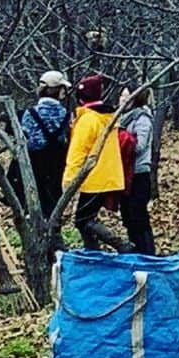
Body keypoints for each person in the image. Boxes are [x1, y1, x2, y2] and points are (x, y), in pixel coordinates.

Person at [63, 74, 128, 251]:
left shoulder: (88, 120)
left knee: (82, 220)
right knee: (86, 220)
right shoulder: (109, 116)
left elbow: (77, 153)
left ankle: (121, 245)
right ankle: (92, 252)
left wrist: (69, 180)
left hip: (94, 179)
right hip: (108, 176)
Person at [12, 70, 71, 219]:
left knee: (32, 212)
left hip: (34, 170)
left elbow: (29, 143)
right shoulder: (67, 115)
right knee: (54, 212)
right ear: (59, 90)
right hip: (57, 170)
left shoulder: (28, 114)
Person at [120, 88, 156, 255]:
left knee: (138, 216)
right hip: (125, 174)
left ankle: (147, 253)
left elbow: (139, 146)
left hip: (139, 174)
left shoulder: (142, 118)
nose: (122, 100)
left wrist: (121, 137)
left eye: (126, 97)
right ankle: (135, 252)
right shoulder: (122, 117)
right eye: (121, 96)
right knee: (128, 216)